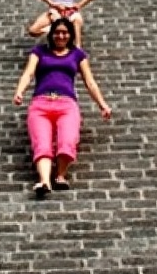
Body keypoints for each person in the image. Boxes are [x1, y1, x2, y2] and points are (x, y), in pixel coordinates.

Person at [12, 16, 112, 198]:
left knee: (67, 140)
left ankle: (60, 175)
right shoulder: (39, 52)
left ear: (70, 34)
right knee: (41, 143)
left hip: (67, 104)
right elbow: (28, 73)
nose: (61, 35)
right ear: (51, 34)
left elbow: (90, 82)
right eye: (57, 32)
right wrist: (20, 91)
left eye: (65, 32)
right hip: (40, 104)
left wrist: (102, 104)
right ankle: (44, 181)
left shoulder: (77, 55)